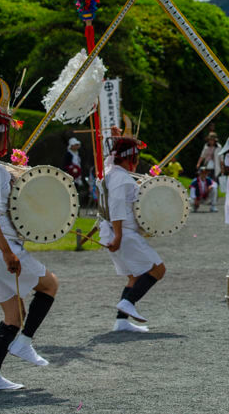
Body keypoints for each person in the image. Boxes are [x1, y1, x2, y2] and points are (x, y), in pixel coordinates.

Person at [0, 86, 59, 391]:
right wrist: (7, 252)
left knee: (13, 314)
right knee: (50, 285)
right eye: (4, 136)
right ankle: (25, 342)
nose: (7, 142)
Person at [99, 130, 166, 333]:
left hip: (114, 232)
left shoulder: (109, 171)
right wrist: (119, 235)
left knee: (134, 276)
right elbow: (117, 205)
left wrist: (118, 137)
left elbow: (109, 159)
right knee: (158, 269)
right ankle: (128, 303)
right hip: (123, 233)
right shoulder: (121, 179)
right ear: (131, 158)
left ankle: (121, 321)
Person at [62, 136, 89, 206]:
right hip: (70, 176)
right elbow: (65, 166)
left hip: (77, 176)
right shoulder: (68, 154)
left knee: (76, 192)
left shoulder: (76, 154)